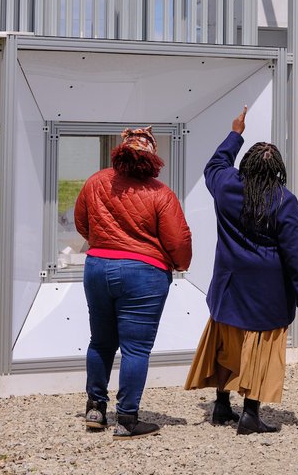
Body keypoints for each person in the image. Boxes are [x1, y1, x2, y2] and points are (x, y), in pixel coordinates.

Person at [185, 106, 298, 435]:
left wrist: (235, 133)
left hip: (229, 282)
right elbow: (297, 254)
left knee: (227, 340)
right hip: (268, 290)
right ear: (278, 170)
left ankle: (221, 405)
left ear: (246, 166)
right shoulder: (284, 201)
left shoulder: (227, 185)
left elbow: (215, 165)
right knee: (260, 348)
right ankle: (250, 415)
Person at [74, 126, 192, 438]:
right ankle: (127, 419)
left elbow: (82, 222)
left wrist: (102, 243)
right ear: (152, 159)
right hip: (144, 273)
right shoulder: (160, 193)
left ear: (121, 153)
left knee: (100, 342)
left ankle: (95, 409)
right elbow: (178, 240)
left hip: (98, 267)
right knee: (136, 348)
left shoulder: (96, 182)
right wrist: (180, 264)